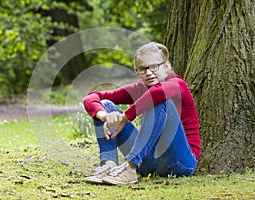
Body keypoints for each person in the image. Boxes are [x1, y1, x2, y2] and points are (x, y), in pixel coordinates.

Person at [82, 42, 201, 185]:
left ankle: (130, 168)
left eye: (154, 67)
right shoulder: (139, 88)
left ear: (166, 66)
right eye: (143, 69)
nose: (149, 73)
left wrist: (125, 117)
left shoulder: (176, 83)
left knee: (159, 100)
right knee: (107, 105)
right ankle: (109, 166)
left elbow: (157, 93)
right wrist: (104, 116)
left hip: (180, 162)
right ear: (137, 72)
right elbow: (92, 97)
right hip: (148, 163)